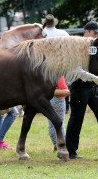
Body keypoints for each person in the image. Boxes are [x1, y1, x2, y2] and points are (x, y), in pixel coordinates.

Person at [66, 21, 98, 159]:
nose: (96, 36)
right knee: (76, 119)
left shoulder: (95, 45)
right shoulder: (77, 46)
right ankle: (71, 152)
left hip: (94, 87)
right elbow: (76, 69)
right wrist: (95, 78)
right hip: (79, 86)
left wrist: (97, 79)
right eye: (95, 33)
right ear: (87, 31)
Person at [42, 14, 70, 151]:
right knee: (59, 122)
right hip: (59, 90)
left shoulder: (42, 33)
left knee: (53, 123)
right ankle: (60, 144)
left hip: (46, 71)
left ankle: (57, 144)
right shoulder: (63, 33)